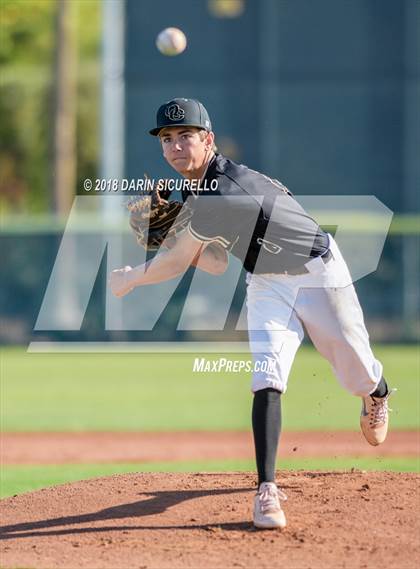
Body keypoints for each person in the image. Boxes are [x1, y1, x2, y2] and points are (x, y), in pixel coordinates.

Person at [110, 98, 394, 530]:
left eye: (185, 136)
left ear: (207, 139)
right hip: (266, 282)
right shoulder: (196, 191)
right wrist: (173, 238)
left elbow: (177, 263)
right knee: (267, 375)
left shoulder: (222, 190)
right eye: (167, 139)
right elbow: (216, 262)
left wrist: (132, 277)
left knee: (356, 368)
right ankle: (267, 490)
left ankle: (377, 393)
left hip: (319, 272)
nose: (175, 147)